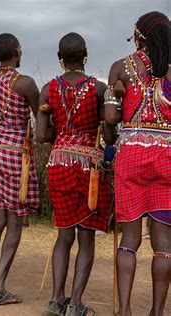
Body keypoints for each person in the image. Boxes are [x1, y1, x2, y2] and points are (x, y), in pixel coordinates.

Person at [36, 33, 114, 315]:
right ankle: (76, 303)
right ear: (85, 56)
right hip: (88, 167)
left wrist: (63, 137)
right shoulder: (99, 88)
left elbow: (41, 135)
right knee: (86, 237)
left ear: (60, 58)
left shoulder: (47, 89)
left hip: (57, 163)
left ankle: (57, 301)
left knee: (63, 234)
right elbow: (108, 131)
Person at [105, 11, 170, 316]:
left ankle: (125, 311)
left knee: (129, 240)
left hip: (130, 154)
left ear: (138, 35)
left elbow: (109, 118)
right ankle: (157, 312)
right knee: (164, 243)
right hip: (167, 157)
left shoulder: (121, 68)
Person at [0, 33, 40, 305]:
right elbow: (42, 119)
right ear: (17, 53)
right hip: (15, 157)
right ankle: (0, 286)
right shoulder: (25, 83)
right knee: (14, 223)